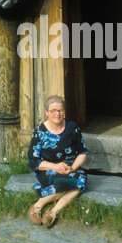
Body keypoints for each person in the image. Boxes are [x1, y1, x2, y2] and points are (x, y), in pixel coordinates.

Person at [27, 95, 88, 228]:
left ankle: (53, 213)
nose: (57, 113)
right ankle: (38, 206)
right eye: (53, 110)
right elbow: (33, 161)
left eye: (60, 110)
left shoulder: (73, 127)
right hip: (48, 170)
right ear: (46, 112)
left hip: (70, 169)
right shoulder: (40, 131)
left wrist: (72, 168)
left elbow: (83, 152)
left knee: (80, 181)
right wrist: (55, 167)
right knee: (63, 183)